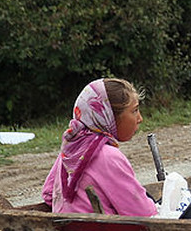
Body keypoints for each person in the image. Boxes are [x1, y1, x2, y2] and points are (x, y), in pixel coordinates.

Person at [42, 78, 157, 216]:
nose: (140, 118)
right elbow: (143, 212)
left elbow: (49, 194)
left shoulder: (72, 149)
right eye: (134, 110)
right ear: (109, 117)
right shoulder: (108, 156)